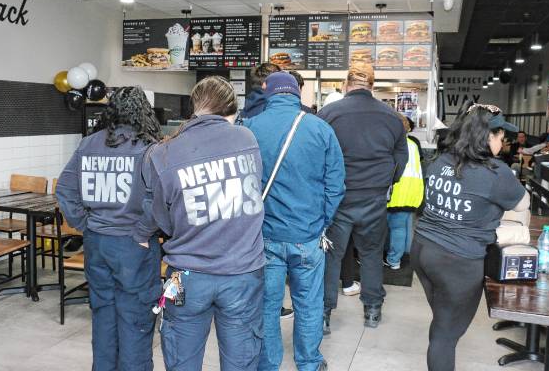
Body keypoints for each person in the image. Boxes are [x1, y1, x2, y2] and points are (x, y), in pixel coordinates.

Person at [147, 76, 266, 371]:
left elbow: (160, 217)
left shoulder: (163, 152)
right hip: (242, 273)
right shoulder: (246, 139)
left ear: (193, 108)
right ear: (232, 110)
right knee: (241, 361)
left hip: (186, 275)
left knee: (181, 360)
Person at [412, 102, 529, 371]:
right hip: (458, 263)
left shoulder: (440, 161)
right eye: (501, 136)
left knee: (443, 324)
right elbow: (522, 205)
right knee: (446, 333)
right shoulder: (496, 172)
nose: (503, 141)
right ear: (488, 136)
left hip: (423, 250)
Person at [55, 86, 163, 371]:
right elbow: (158, 201)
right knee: (136, 321)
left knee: (103, 317)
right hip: (134, 246)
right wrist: (142, 233)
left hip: (97, 244)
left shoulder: (87, 144)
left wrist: (85, 225)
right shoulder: (148, 149)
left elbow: (65, 190)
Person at [244, 72, 344, 371]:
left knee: (267, 307)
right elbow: (336, 185)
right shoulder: (320, 128)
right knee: (309, 305)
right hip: (307, 235)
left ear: (268, 92)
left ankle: (268, 364)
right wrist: (319, 222)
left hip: (264, 236)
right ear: (298, 93)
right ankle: (309, 362)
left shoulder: (248, 128)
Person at [318, 62, 408, 332]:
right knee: (370, 254)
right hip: (374, 200)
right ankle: (372, 310)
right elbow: (400, 159)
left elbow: (316, 154)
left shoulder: (328, 114)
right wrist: (387, 181)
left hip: (338, 199)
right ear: (372, 86)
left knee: (331, 257)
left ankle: (323, 315)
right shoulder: (391, 116)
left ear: (346, 85)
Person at [385, 113, 424, 270]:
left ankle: (393, 259)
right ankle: (399, 256)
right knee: (402, 227)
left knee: (393, 228)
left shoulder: (393, 145)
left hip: (397, 192)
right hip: (412, 192)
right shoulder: (412, 144)